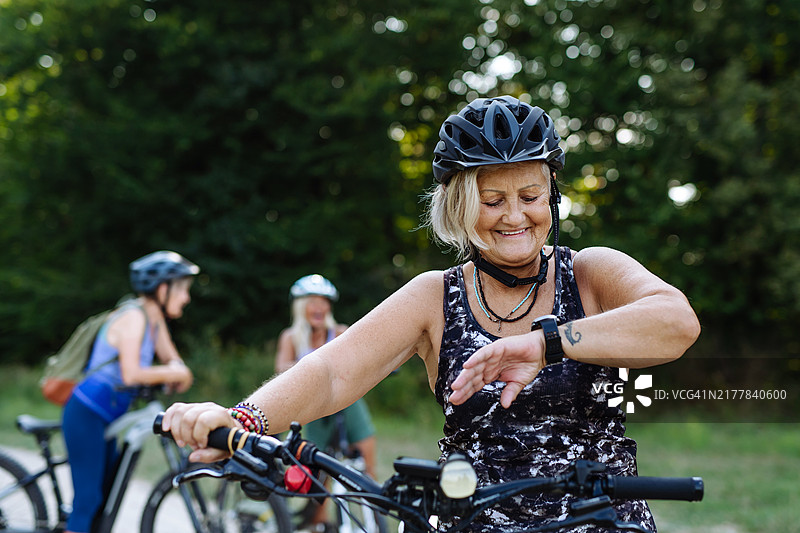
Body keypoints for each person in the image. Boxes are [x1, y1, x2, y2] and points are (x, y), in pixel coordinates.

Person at [163, 96, 700, 532]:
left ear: (552, 197)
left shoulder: (590, 273)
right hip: (467, 518)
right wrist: (242, 419)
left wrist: (546, 344)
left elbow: (675, 323)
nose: (515, 216)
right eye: (492, 200)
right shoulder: (433, 296)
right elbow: (332, 372)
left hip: (600, 518)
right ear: (460, 206)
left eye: (530, 195)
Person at [62, 250, 197, 533]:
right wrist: (172, 372)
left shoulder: (155, 322)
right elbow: (132, 373)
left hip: (107, 417)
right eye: (183, 289)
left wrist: (174, 372)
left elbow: (180, 371)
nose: (186, 297)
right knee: (88, 500)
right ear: (163, 288)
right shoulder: (134, 317)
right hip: (86, 413)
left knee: (105, 497)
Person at [276, 274, 377, 531]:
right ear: (300, 306)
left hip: (348, 405)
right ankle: (318, 523)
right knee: (316, 478)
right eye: (313, 301)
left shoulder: (340, 332)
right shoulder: (290, 338)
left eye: (324, 302)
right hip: (314, 411)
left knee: (368, 469)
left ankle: (373, 517)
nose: (319, 307)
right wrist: (319, 367)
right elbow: (280, 370)